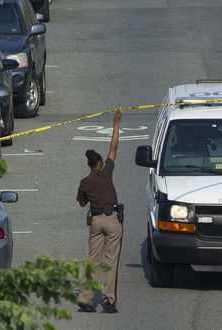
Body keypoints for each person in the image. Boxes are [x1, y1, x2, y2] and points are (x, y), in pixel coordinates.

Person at [76, 110, 123, 314]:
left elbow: (80, 202)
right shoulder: (107, 171)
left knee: (93, 260)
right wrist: (116, 122)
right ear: (100, 163)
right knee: (110, 261)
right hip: (112, 220)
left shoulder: (85, 182)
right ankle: (109, 300)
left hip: (95, 221)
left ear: (89, 166)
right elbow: (113, 146)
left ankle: (85, 298)